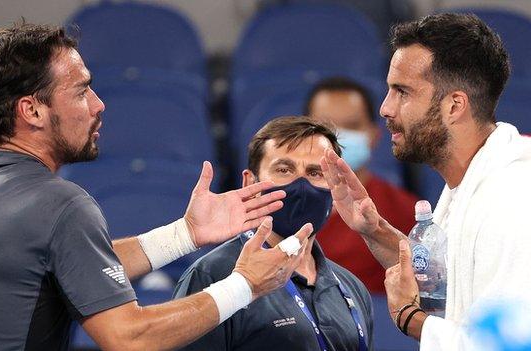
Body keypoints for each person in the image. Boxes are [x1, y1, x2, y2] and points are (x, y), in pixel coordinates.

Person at [0, 23, 315, 351]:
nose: (99, 105)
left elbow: (65, 265)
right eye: (82, 91)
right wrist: (244, 285)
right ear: (31, 110)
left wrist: (184, 235)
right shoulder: (62, 206)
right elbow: (129, 337)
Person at [320, 13, 531, 349]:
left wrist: (409, 318)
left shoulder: (513, 199)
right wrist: (374, 230)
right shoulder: (471, 183)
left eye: (402, 91)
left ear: (454, 106)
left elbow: (504, 346)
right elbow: (451, 289)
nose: (386, 109)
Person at [174, 116, 373, 351]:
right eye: (284, 169)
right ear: (250, 183)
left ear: (334, 187)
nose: (301, 185)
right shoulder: (211, 275)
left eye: (315, 173)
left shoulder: (351, 287)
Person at [304, 77, 417, 293]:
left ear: (374, 135)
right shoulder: (280, 204)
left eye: (352, 126)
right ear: (303, 133)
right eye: (325, 126)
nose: (338, 136)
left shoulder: (405, 211)